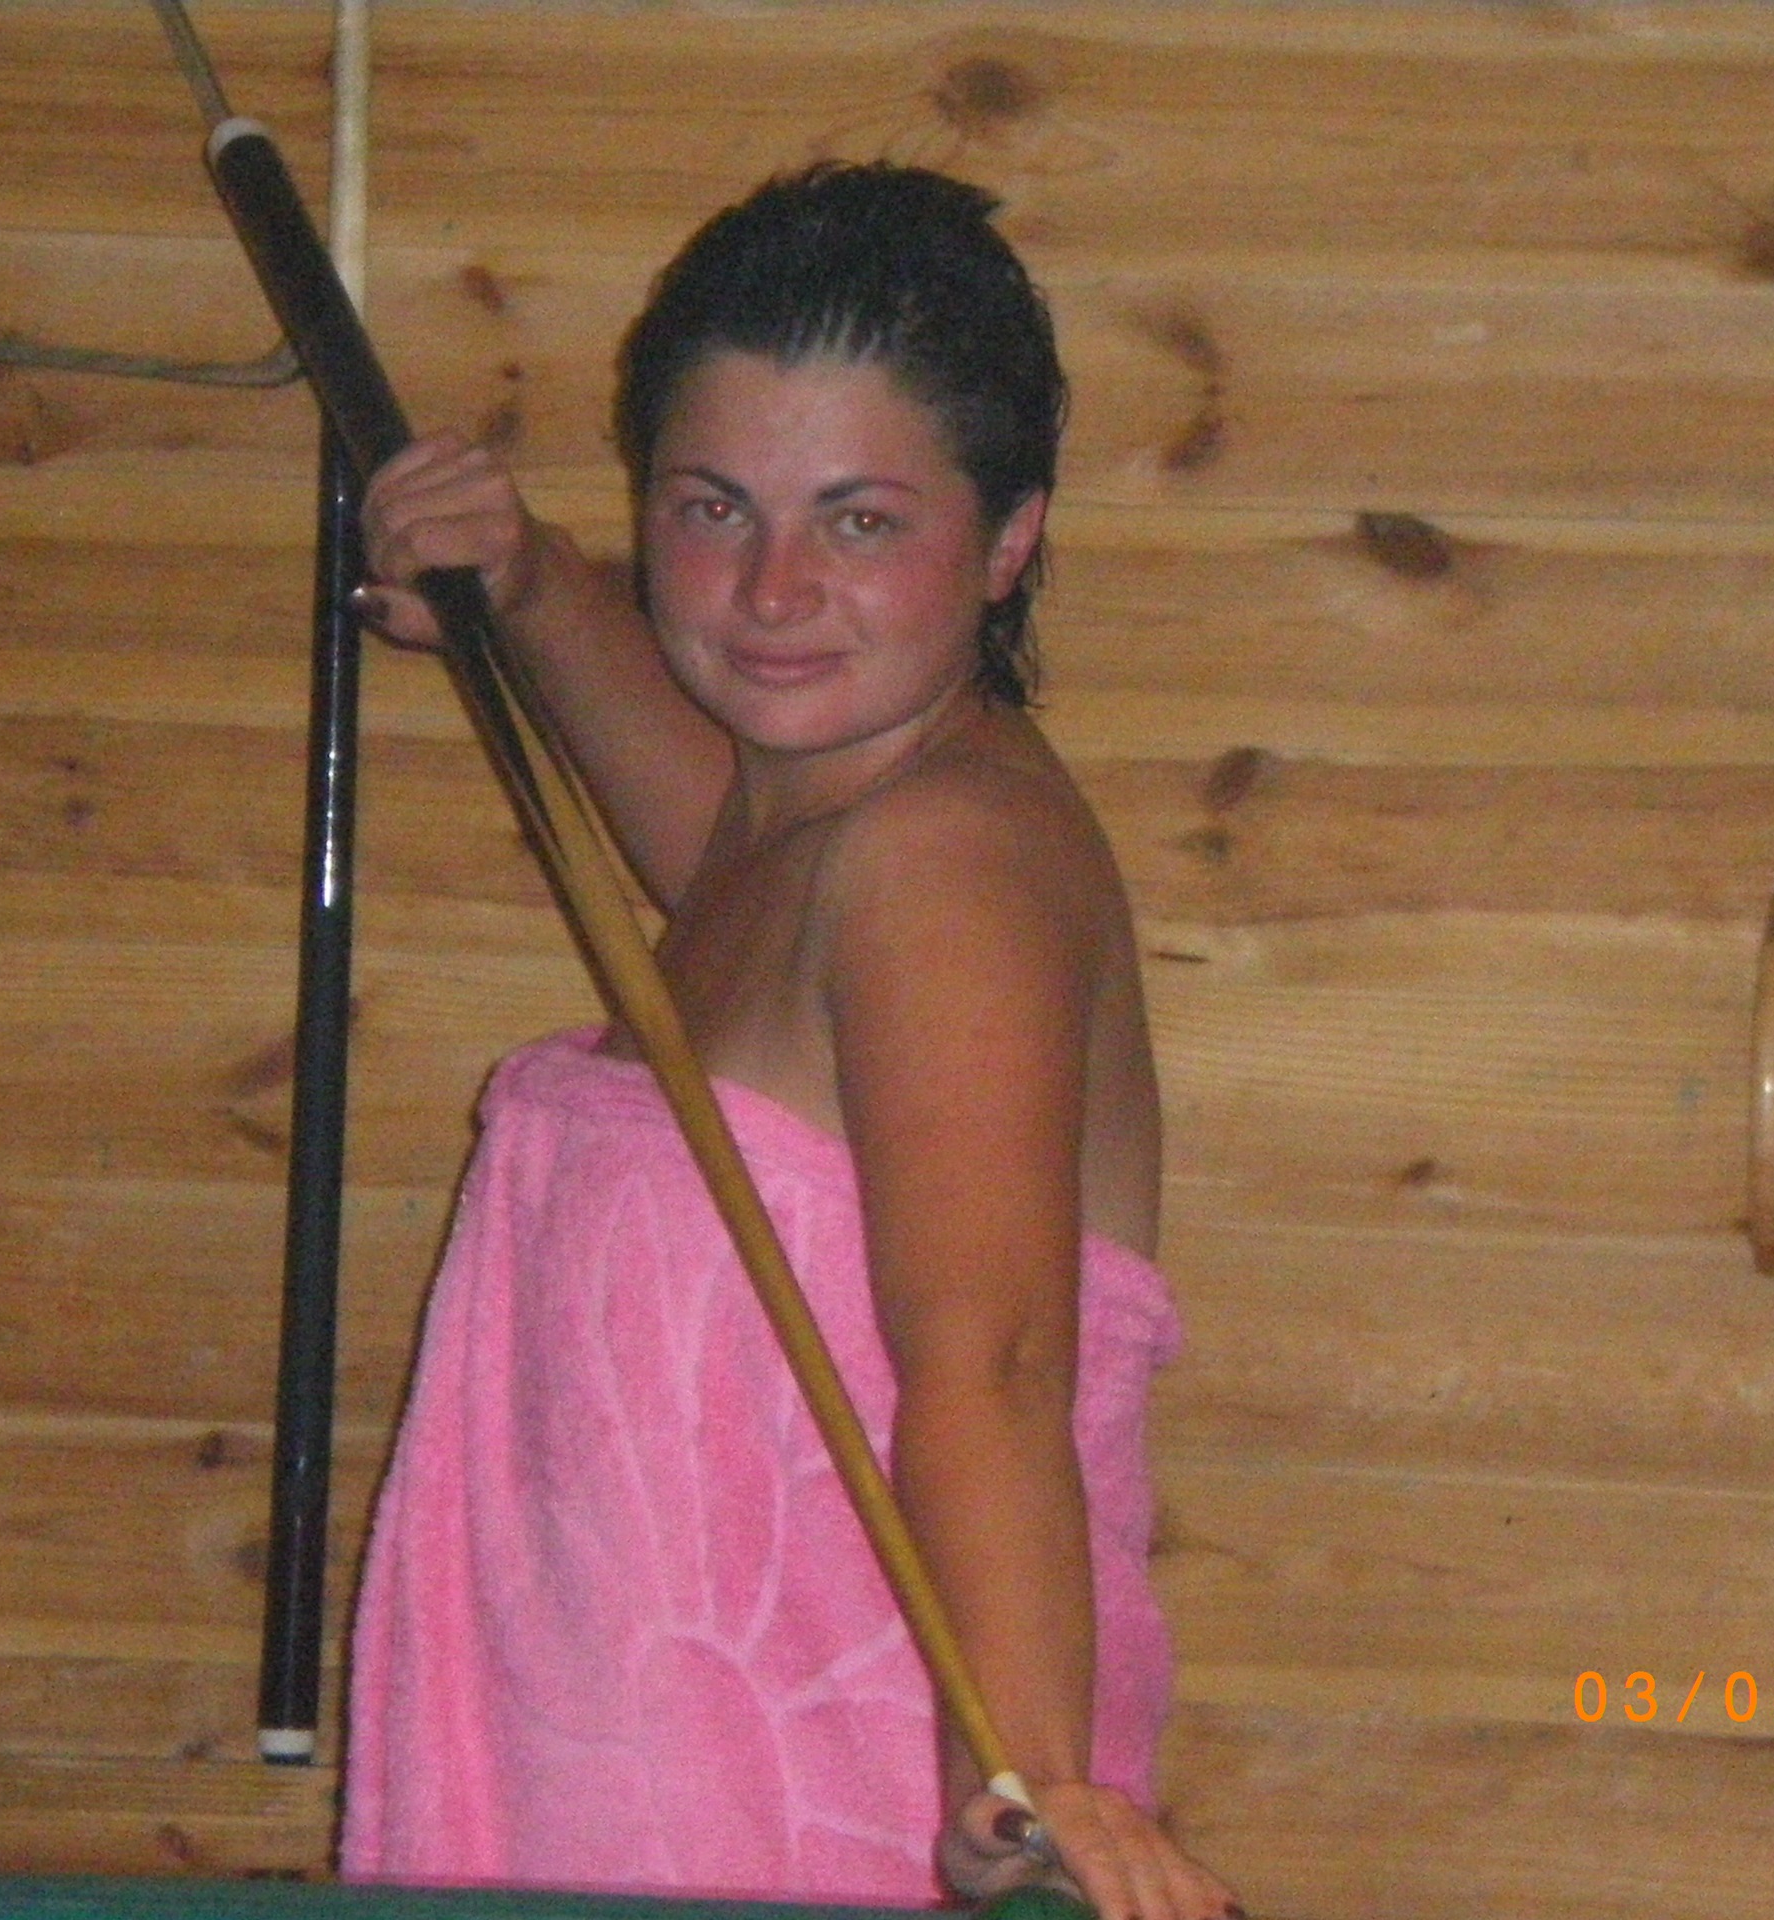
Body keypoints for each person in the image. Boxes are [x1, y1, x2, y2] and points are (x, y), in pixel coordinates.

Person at [336, 162, 1235, 1920]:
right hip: (665, 1783)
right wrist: (528, 586)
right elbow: (734, 902)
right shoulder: (806, 826)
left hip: (816, 1811)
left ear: (1009, 539)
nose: (769, 590)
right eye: (712, 508)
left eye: (861, 522)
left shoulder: (939, 866)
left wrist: (1032, 1783)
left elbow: (991, 1363)